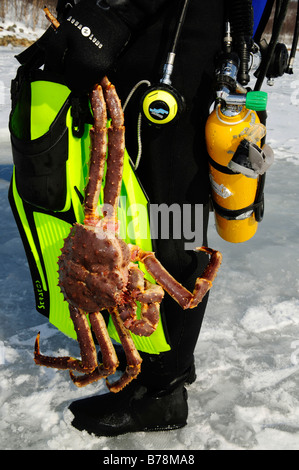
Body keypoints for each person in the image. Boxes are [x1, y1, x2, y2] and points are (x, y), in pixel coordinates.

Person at [9, 0, 250, 436]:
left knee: (170, 213)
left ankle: (164, 392)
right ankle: (173, 361)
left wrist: (114, 13)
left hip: (168, 42)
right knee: (148, 203)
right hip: (146, 40)